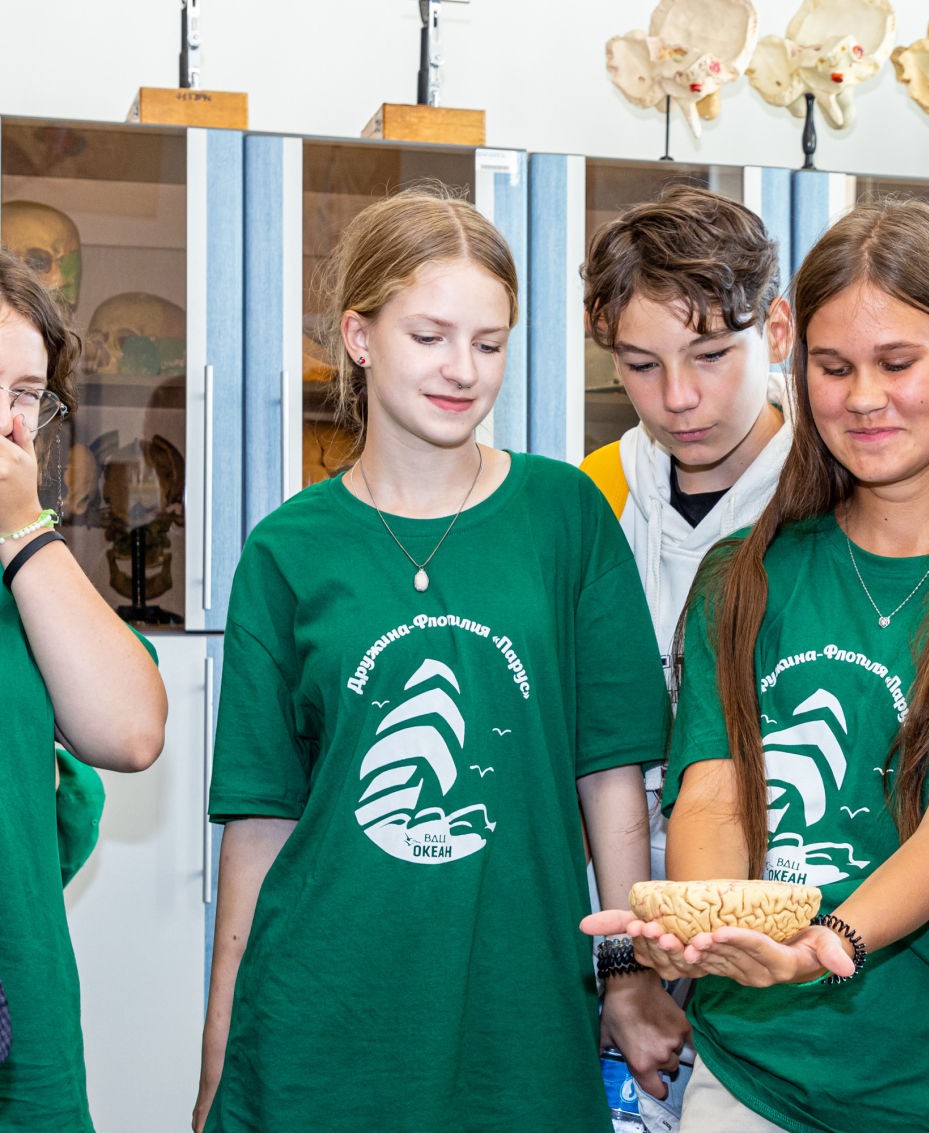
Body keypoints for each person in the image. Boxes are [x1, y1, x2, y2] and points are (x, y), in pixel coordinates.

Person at [584, 198, 929, 1133]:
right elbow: (711, 795)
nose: (864, 397)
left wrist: (821, 942)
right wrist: (709, 928)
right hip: (755, 1074)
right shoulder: (745, 575)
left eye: (897, 363)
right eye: (833, 368)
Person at [193, 186, 685, 1132]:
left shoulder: (565, 517)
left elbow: (611, 774)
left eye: (489, 343)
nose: (463, 370)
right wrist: (219, 1052)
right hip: (317, 1023)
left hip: (519, 1015)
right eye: (429, 336)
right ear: (360, 337)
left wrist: (627, 974)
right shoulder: (288, 550)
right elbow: (259, 827)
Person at [579, 183, 795, 881]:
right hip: (619, 892)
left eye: (711, 355)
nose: (678, 398)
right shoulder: (595, 495)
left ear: (777, 330)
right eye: (643, 365)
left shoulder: (833, 498)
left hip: (795, 889)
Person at [0, 246, 167, 1129]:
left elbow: (132, 732)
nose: (8, 425)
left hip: (24, 1052)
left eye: (26, 395)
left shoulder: (30, 577)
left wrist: (23, 534)